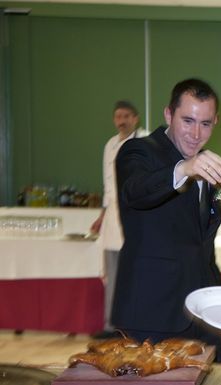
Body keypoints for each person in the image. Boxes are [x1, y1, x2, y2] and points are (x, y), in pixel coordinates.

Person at [111, 78, 221, 363]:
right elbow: (136, 191)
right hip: (152, 315)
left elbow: (202, 246)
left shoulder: (206, 165)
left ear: (215, 122)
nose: (195, 133)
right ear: (168, 114)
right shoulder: (139, 151)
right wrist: (184, 168)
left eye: (205, 123)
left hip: (202, 318)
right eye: (187, 120)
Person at [90, 100, 148, 339]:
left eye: (126, 116)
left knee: (138, 274)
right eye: (117, 116)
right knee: (113, 275)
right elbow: (108, 185)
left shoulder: (146, 141)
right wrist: (101, 216)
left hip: (138, 218)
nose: (121, 121)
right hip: (113, 219)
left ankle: (139, 326)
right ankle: (111, 326)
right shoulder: (110, 144)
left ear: (135, 118)